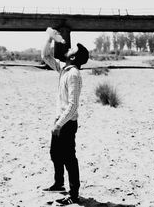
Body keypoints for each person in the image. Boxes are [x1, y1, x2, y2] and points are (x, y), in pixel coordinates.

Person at [41, 27, 89, 206]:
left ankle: (74, 194)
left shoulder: (74, 75)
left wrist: (59, 124)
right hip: (59, 121)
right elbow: (45, 57)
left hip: (67, 123)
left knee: (69, 158)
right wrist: (49, 38)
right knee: (55, 154)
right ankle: (58, 183)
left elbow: (73, 105)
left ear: (74, 57)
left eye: (73, 50)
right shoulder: (64, 68)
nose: (69, 49)